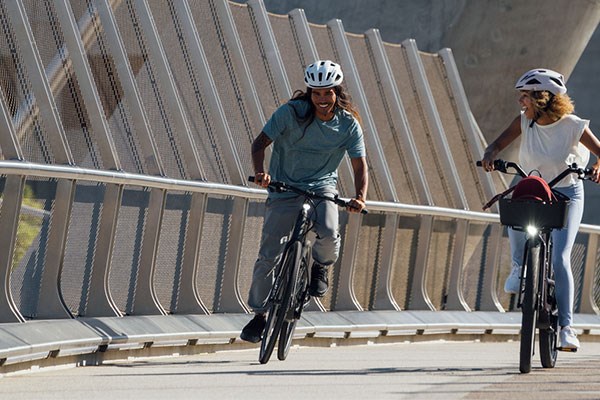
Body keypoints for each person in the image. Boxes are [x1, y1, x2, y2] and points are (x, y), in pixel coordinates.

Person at [240, 60, 368, 343]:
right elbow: (259, 143)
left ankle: (319, 266)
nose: (322, 99)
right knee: (268, 255)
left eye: (328, 93)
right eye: (317, 93)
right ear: (309, 93)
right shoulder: (289, 113)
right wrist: (261, 172)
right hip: (285, 188)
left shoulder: (348, 124)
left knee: (329, 231)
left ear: (337, 92)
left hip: (323, 188)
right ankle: (259, 315)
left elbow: (359, 165)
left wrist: (359, 197)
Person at [481, 68, 600, 351]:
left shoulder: (572, 125)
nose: (521, 102)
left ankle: (567, 329)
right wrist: (489, 155)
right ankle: (519, 266)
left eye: (525, 96)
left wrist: (596, 167)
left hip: (567, 192)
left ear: (542, 98)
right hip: (535, 189)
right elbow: (497, 144)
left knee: (560, 257)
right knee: (515, 210)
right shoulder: (524, 122)